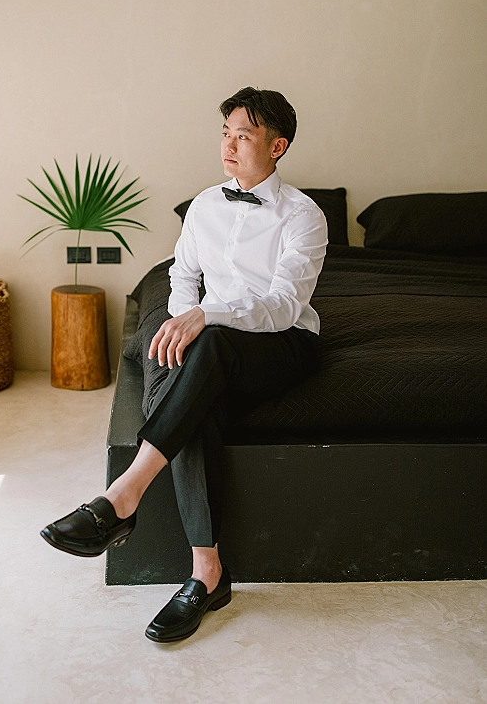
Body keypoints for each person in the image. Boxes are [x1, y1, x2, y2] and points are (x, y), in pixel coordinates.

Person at [41, 87, 328, 642]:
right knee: (201, 396)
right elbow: (181, 275)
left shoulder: (304, 215)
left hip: (282, 343)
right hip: (213, 346)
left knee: (212, 346)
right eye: (225, 133)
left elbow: (282, 306)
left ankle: (123, 495)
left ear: (278, 146)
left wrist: (205, 318)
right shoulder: (203, 205)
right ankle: (206, 575)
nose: (229, 145)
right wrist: (179, 324)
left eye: (244, 135)